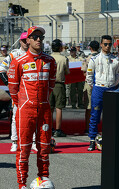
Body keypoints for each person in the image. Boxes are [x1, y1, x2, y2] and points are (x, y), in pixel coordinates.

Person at [8, 26, 56, 189]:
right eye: (34, 37)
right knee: (24, 148)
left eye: (40, 37)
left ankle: (43, 179)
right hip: (25, 110)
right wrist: (23, 104)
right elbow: (13, 90)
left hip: (44, 110)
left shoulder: (50, 61)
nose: (38, 40)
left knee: (44, 147)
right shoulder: (18, 62)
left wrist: (42, 102)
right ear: (27, 40)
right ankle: (21, 184)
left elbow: (51, 86)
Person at [0, 32, 37, 152]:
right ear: (20, 41)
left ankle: (33, 142)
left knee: (34, 116)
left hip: (32, 90)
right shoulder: (13, 54)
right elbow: (1, 69)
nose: (26, 42)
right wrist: (11, 86)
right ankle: (14, 142)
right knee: (16, 115)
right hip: (18, 92)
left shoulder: (35, 54)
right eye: (24, 40)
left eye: (28, 40)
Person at [86, 35, 119, 151]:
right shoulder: (94, 59)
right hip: (98, 89)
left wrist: (114, 85)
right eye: (105, 44)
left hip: (112, 88)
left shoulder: (116, 60)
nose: (107, 46)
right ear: (101, 45)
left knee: (111, 116)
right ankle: (91, 140)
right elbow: (89, 75)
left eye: (110, 44)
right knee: (95, 115)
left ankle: (111, 139)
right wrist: (94, 86)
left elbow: (118, 75)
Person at [50, 39, 70, 137]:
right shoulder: (63, 58)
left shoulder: (48, 57)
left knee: (49, 108)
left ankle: (49, 128)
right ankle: (58, 129)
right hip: (59, 84)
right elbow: (67, 72)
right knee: (59, 108)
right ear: (60, 48)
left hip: (49, 84)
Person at [81, 40, 99, 133]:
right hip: (99, 84)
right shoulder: (100, 57)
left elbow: (84, 73)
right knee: (99, 106)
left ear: (90, 48)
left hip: (89, 83)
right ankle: (97, 127)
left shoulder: (88, 58)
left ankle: (88, 128)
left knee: (88, 107)